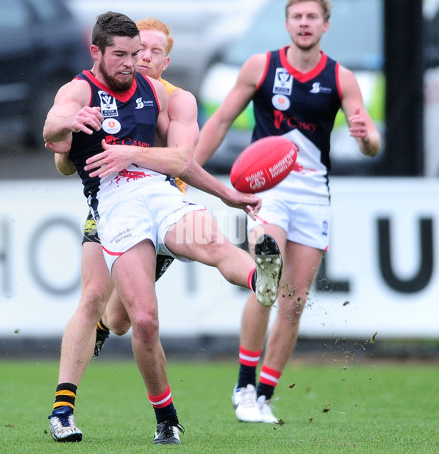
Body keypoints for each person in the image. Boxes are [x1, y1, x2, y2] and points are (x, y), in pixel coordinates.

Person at [43, 12, 282, 445]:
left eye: (147, 53)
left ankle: (260, 279)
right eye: (129, 53)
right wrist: (69, 130)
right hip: (113, 207)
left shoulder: (168, 96)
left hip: (161, 194)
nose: (137, 61)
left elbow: (179, 161)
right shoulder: (81, 90)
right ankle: (73, 409)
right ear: (98, 52)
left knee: (209, 242)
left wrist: (130, 155)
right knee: (125, 315)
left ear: (164, 59)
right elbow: (55, 137)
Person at [193, 0, 381, 424]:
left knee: (293, 303)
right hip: (268, 191)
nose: (304, 23)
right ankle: (243, 385)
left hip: (313, 195)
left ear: (325, 25)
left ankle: (263, 394)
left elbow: (370, 142)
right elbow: (221, 120)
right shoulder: (260, 66)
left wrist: (366, 137)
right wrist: (190, 170)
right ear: (287, 23)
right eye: (297, 16)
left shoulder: (340, 76)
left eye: (312, 16)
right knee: (267, 275)